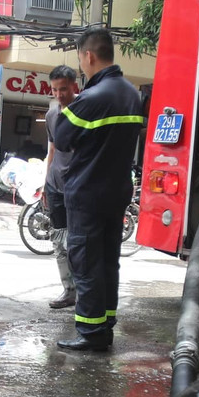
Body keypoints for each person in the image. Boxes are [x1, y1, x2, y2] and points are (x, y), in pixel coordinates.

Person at [51, 29, 145, 352]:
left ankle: (90, 332)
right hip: (117, 191)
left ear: (88, 56)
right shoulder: (132, 94)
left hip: (88, 193)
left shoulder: (91, 99)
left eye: (80, 57)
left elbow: (62, 137)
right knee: (107, 260)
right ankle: (105, 324)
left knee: (86, 260)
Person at [43, 65, 80, 310]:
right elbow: (52, 150)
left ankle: (84, 292)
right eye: (55, 89)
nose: (59, 94)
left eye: (63, 89)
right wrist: (45, 185)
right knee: (58, 241)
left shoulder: (86, 112)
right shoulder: (52, 115)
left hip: (79, 188)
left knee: (77, 243)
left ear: (74, 87)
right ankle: (68, 290)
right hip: (55, 186)